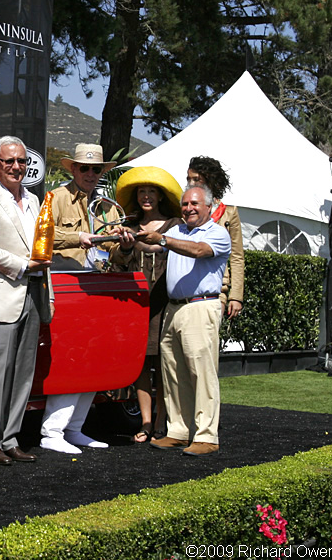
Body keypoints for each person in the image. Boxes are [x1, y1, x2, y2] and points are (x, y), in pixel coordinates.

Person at [123, 184, 231, 457]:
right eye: (185, 204)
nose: (189, 208)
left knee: (201, 373)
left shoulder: (217, 233)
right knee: (172, 374)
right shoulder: (176, 231)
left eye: (195, 204)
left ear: (209, 206)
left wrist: (162, 240)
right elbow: (148, 243)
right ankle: (178, 431)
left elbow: (198, 251)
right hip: (173, 309)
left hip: (200, 306)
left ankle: (207, 435)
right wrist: (128, 237)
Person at [0, 135, 53, 465]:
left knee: (24, 371)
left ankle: (11, 437)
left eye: (21, 161)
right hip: (3, 292)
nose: (17, 167)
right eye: (9, 161)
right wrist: (22, 265)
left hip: (34, 291)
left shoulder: (34, 200)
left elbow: (42, 246)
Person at [39, 144, 115, 454]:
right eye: (85, 168)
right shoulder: (55, 198)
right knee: (69, 362)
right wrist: (77, 237)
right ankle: (51, 432)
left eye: (96, 169)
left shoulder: (106, 205)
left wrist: (121, 240)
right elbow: (41, 234)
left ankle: (74, 428)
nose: (91, 174)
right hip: (65, 287)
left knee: (92, 360)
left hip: (96, 289)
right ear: (73, 170)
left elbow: (111, 248)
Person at [111, 166, 183, 444]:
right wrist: (126, 246)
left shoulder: (175, 225)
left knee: (164, 365)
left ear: (161, 195)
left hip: (164, 302)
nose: (146, 196)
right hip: (135, 304)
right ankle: (146, 421)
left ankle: (164, 422)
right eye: (142, 191)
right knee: (140, 364)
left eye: (152, 191)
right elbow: (118, 261)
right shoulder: (128, 227)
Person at [186, 157, 244, 320]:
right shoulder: (184, 210)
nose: (191, 183)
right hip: (185, 285)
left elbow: (237, 257)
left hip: (217, 290)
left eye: (196, 179)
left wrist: (236, 296)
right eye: (189, 179)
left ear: (210, 180)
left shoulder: (228, 213)